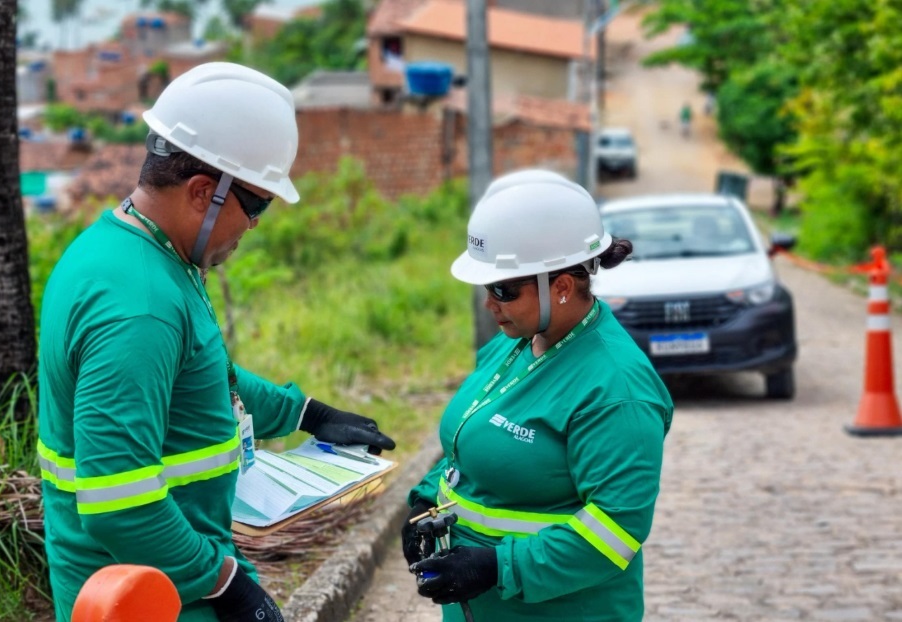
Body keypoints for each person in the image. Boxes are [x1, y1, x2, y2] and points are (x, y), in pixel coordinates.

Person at [37, 62, 396, 622]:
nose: (254, 226)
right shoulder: (140, 306)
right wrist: (227, 584)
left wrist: (306, 412)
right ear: (203, 192)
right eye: (256, 205)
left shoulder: (137, 254)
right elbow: (118, 505)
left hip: (171, 583)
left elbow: (203, 376)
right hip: (154, 599)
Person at [399, 169, 673, 621]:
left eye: (504, 289)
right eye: (487, 287)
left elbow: (616, 529)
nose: (490, 303)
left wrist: (497, 566)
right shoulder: (515, 343)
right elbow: (470, 442)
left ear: (562, 286)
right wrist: (427, 499)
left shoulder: (616, 389)